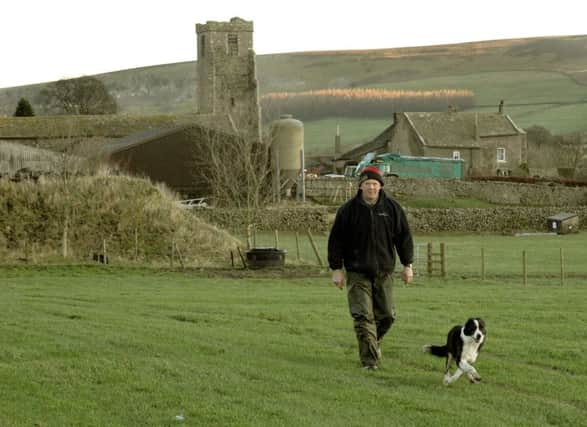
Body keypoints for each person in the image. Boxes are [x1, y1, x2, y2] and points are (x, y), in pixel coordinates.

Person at [328, 165, 414, 370]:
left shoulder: (392, 208)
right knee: (363, 316)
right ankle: (370, 362)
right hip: (357, 271)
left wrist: (407, 265)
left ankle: (373, 341)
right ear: (360, 186)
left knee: (387, 316)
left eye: (375, 184)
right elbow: (336, 241)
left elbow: (404, 238)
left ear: (381, 186)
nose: (371, 188)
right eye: (367, 184)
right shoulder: (348, 211)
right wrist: (336, 269)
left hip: (384, 271)